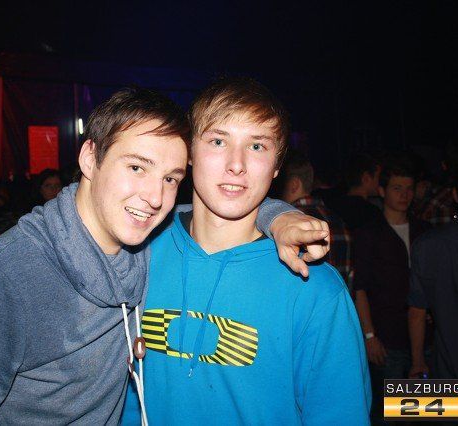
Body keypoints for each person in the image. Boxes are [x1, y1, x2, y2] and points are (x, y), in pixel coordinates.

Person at [0, 87, 330, 424]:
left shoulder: (147, 244)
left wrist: (279, 216)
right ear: (90, 157)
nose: (154, 197)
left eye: (170, 178)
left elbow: (218, 210)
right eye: (136, 167)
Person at [122, 77, 370, 425]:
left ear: (277, 166)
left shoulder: (314, 289)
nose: (236, 164)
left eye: (256, 146)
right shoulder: (136, 254)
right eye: (218, 141)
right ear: (189, 152)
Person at [352, 158, 431, 424]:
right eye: (397, 188)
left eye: (409, 188)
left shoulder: (425, 231)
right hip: (387, 340)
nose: (404, 195)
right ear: (382, 191)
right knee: (390, 415)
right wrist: (369, 335)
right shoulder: (369, 234)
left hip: (425, 340)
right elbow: (360, 287)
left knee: (429, 412)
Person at [407, 162, 458, 384]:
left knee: (407, 401)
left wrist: (417, 363)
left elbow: (417, 312)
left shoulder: (428, 244)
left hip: (448, 368)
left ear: (455, 195)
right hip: (448, 365)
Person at [280, 149, 353, 290]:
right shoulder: (339, 222)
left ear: (294, 184)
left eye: (279, 183)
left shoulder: (287, 227)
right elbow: (349, 281)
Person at [327, 153, 385, 231]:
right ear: (366, 178)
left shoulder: (331, 206)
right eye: (378, 177)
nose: (381, 181)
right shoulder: (371, 212)